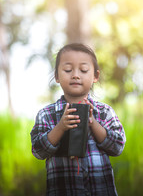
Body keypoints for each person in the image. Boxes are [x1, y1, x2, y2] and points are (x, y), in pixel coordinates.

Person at [30, 43, 126, 196]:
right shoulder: (46, 114)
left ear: (95, 76)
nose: (75, 75)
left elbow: (118, 146)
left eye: (83, 70)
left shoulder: (104, 112)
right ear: (56, 76)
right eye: (68, 70)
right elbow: (38, 151)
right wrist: (61, 127)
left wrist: (93, 123)